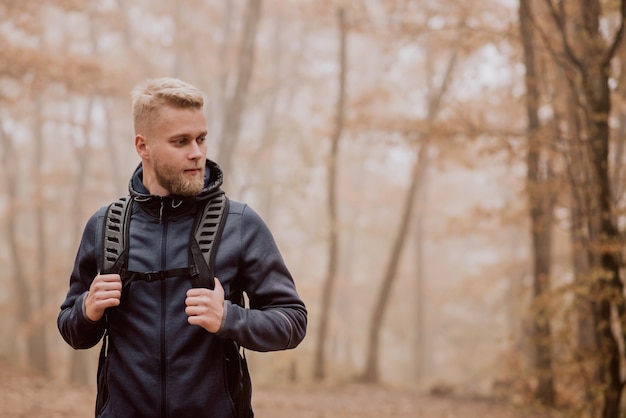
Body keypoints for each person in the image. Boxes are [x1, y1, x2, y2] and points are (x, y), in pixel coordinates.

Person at [57, 77, 307, 417]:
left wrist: (229, 318)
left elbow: (292, 322)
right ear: (142, 146)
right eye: (181, 141)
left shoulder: (240, 223)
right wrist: (87, 310)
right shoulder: (104, 226)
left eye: (201, 139)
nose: (197, 153)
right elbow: (72, 331)